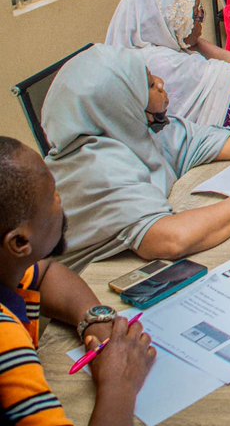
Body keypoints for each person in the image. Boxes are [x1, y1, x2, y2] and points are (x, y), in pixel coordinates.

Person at [40, 45, 230, 270]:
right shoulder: (98, 168)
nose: (161, 83)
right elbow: (171, 240)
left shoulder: (136, 130)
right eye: (148, 84)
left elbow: (204, 141)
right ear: (118, 105)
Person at [0, 137, 155, 426]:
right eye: (53, 195)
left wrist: (95, 320)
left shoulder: (8, 268)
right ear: (20, 241)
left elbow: (45, 273)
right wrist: (119, 384)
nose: (61, 201)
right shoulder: (5, 342)